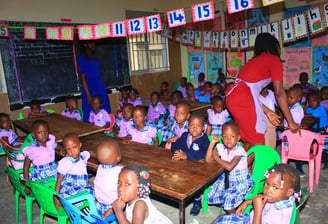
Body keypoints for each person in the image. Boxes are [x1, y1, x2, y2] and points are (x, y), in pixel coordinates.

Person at [225, 33, 299, 151]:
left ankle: (242, 167)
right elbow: (279, 92)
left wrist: (268, 111)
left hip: (232, 97)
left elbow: (250, 94)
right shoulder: (274, 60)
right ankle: (242, 167)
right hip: (243, 97)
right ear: (275, 46)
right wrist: (291, 121)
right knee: (259, 143)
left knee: (249, 140)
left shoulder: (253, 62)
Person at [216, 164, 301, 224]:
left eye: (275, 187)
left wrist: (258, 210)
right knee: (222, 219)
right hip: (249, 220)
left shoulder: (278, 216)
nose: (268, 190)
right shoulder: (281, 198)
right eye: (267, 184)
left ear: (289, 192)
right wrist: (249, 202)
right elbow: (266, 197)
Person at [206, 122, 253, 215]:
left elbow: (229, 166)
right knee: (211, 195)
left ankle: (235, 217)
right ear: (222, 138)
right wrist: (212, 143)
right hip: (226, 180)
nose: (228, 140)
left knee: (228, 204)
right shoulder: (221, 147)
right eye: (225, 137)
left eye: (232, 137)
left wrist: (216, 157)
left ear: (238, 138)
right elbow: (208, 160)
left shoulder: (239, 150)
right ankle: (235, 206)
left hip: (240, 182)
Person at [171, 112, 210, 216]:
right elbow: (174, 145)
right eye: (192, 125)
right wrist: (178, 151)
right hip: (184, 166)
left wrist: (187, 155)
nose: (195, 128)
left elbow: (204, 153)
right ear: (188, 127)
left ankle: (197, 201)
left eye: (198, 126)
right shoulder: (185, 136)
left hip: (198, 169)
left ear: (203, 128)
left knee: (195, 183)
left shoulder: (204, 140)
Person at [54, 133, 94, 209]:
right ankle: (84, 215)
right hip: (71, 190)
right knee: (88, 198)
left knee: (96, 193)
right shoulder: (65, 162)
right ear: (65, 149)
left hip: (82, 187)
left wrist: (100, 156)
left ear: (80, 145)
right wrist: (56, 199)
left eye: (74, 147)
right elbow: (58, 181)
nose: (72, 151)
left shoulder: (83, 156)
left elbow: (91, 152)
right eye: (69, 149)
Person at [78, 41, 111, 122]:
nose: (93, 45)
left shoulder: (93, 57)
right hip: (89, 88)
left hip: (99, 86)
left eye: (94, 43)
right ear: (85, 44)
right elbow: (83, 78)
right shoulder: (82, 57)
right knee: (90, 113)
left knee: (103, 110)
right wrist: (89, 95)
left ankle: (105, 128)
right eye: (91, 43)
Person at [23, 120, 57, 194]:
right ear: (33, 134)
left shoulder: (50, 142)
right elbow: (26, 167)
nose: (43, 135)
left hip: (54, 170)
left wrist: (60, 149)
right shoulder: (32, 149)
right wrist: (26, 185)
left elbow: (56, 146)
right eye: (39, 132)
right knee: (48, 191)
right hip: (42, 176)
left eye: (46, 132)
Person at [94, 140, 122, 218]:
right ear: (118, 157)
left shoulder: (100, 167)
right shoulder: (119, 171)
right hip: (111, 206)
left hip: (99, 204)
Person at [259, 84, 278, 149]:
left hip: (272, 120)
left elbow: (278, 106)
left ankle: (272, 155)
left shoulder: (271, 94)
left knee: (272, 139)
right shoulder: (257, 96)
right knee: (265, 140)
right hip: (261, 121)